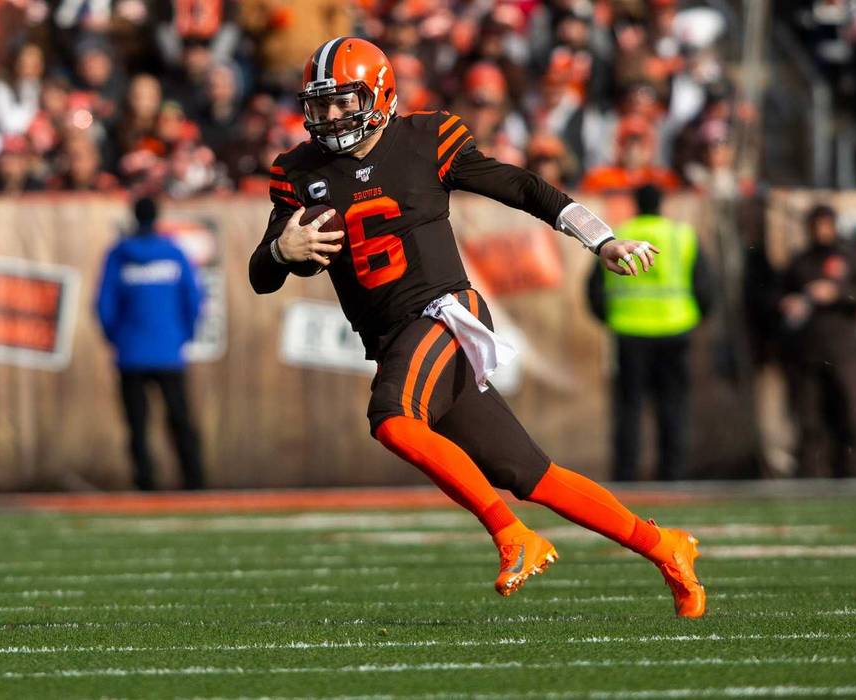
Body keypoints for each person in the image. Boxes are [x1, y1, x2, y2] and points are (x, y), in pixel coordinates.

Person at [249, 37, 705, 617]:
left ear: (380, 96)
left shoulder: (424, 139)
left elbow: (522, 186)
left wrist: (602, 238)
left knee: (392, 419)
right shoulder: (297, 171)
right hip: (394, 338)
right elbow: (260, 276)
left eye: (344, 101)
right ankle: (666, 547)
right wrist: (282, 252)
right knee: (532, 474)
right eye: (322, 104)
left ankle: (513, 535)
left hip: (443, 312)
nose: (332, 115)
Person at [586, 184, 714, 481]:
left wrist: (612, 318)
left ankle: (626, 476)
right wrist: (693, 317)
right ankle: (674, 476)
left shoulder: (618, 234)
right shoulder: (681, 235)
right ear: (661, 204)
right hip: (675, 330)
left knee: (629, 409)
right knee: (673, 407)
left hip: (629, 332)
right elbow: (705, 287)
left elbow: (594, 289)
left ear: (636, 204)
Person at [97, 197, 206, 491]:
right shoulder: (173, 253)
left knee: (137, 425)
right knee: (180, 420)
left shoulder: (119, 255)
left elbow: (104, 304)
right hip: (169, 352)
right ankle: (194, 480)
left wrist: (117, 339)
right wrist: (182, 336)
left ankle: (145, 483)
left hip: (130, 353)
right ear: (157, 217)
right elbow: (194, 299)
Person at [779, 205, 856, 478]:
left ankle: (850, 473)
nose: (821, 231)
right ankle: (811, 477)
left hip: (843, 349)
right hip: (807, 351)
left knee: (850, 415)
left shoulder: (849, 258)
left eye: (825, 225)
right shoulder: (800, 261)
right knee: (809, 420)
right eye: (816, 225)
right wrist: (788, 304)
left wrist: (838, 293)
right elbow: (776, 296)